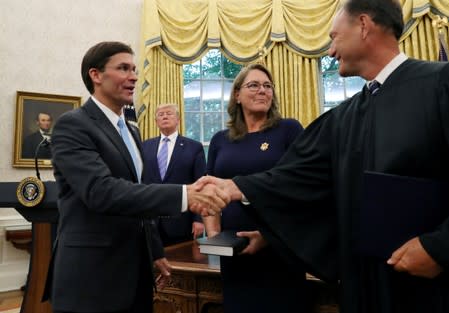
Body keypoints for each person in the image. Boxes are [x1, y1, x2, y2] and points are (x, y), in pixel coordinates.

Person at [198, 1, 449, 312]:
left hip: (431, 286)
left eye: (334, 37)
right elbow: (298, 177)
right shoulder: (344, 117)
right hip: (363, 282)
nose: (331, 51)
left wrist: (440, 248)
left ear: (363, 25)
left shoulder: (440, 84)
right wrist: (236, 188)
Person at [42, 41, 228, 313]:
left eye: (135, 69)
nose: (134, 77)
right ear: (96, 75)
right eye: (123, 69)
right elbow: (101, 191)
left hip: (135, 275)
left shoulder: (131, 130)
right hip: (92, 278)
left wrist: (154, 251)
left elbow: (136, 193)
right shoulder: (73, 125)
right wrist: (186, 195)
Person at [203, 63, 309, 313]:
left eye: (267, 86)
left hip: (279, 251)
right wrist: (214, 237)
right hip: (234, 255)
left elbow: (302, 188)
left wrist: (268, 237)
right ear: (237, 95)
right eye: (254, 85)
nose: (262, 91)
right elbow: (210, 194)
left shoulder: (289, 130)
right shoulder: (220, 139)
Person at [142, 103, 206, 246]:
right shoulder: (144, 146)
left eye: (169, 113)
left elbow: (200, 184)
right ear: (156, 122)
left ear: (178, 119)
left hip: (181, 222)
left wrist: (199, 219)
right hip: (150, 221)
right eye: (160, 114)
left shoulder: (194, 147)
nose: (164, 116)